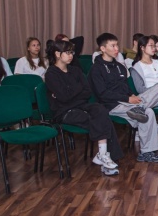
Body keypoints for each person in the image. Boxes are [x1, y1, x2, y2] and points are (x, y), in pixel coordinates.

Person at [45, 40, 123, 176]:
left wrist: (70, 91)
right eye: (67, 52)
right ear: (57, 54)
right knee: (96, 119)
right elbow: (64, 97)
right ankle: (104, 155)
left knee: (101, 110)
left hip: (80, 105)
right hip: (64, 111)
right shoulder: (51, 73)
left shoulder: (75, 70)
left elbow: (87, 92)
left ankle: (102, 154)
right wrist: (77, 89)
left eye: (72, 52)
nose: (71, 55)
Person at [89, 33, 158, 163]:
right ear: (103, 48)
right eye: (113, 45)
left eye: (117, 45)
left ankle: (140, 109)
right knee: (148, 112)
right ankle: (146, 152)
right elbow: (102, 94)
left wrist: (131, 95)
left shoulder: (120, 67)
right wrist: (127, 99)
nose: (116, 48)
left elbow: (125, 87)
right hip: (112, 105)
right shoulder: (96, 69)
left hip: (128, 102)